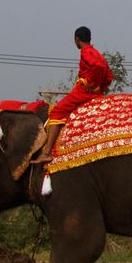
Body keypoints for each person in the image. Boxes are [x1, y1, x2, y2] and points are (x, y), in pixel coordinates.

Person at [34, 26, 112, 163]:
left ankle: (46, 153)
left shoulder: (86, 52)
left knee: (56, 112)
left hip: (83, 92)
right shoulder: (96, 52)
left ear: (77, 39)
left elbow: (98, 67)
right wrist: (99, 88)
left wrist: (89, 84)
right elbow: (109, 76)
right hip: (95, 93)